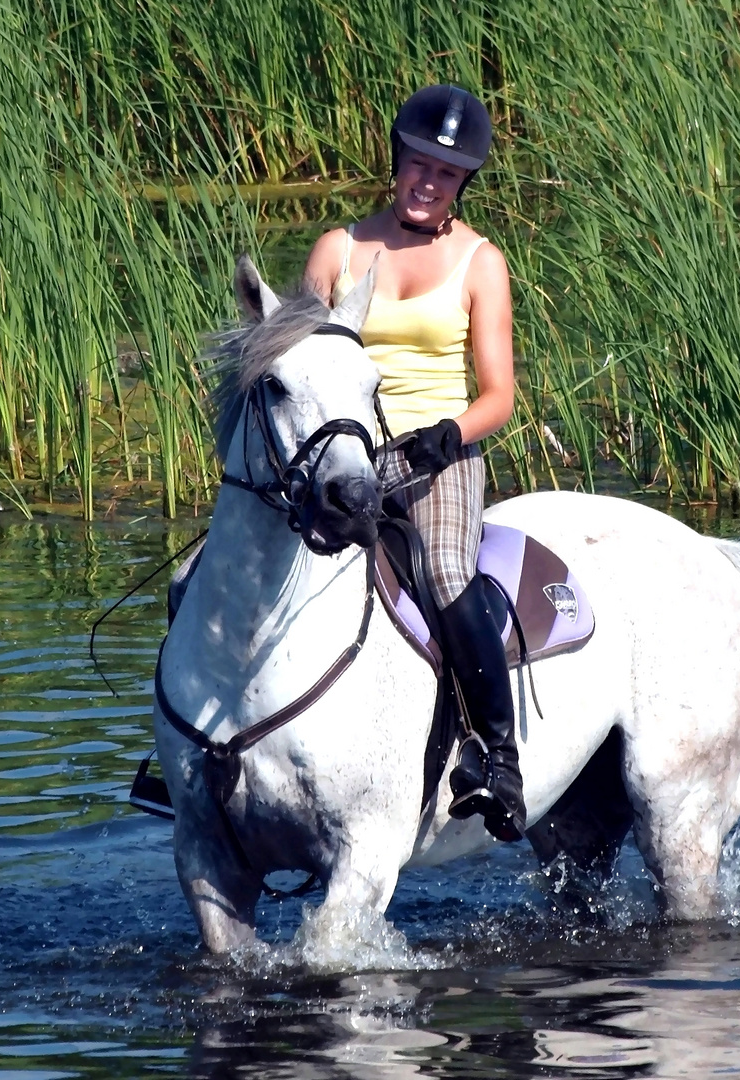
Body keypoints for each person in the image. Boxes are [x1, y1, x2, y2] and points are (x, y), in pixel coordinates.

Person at [303, 85, 524, 842]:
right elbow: (298, 362)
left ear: (463, 185)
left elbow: (500, 394)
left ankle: (498, 756)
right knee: (217, 561)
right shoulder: (338, 250)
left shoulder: (479, 262)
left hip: (436, 458)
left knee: (443, 572)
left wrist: (447, 435)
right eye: (419, 166)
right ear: (397, 162)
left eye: (447, 175)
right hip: (341, 455)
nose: (429, 183)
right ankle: (195, 756)